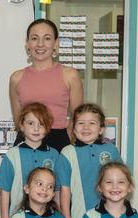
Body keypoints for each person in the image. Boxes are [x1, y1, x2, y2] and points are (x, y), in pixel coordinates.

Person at [9, 18, 83, 151]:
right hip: (26, 142)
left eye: (47, 38)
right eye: (34, 38)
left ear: (56, 43)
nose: (40, 44)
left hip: (59, 142)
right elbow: (18, 120)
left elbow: (77, 118)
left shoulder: (70, 75)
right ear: (27, 44)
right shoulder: (16, 78)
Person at [0, 102, 66, 218]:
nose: (36, 128)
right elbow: (5, 193)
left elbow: (57, 191)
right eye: (31, 123)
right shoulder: (12, 155)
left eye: (41, 124)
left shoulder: (54, 154)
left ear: (47, 128)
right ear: (21, 126)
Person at [60, 103, 121, 218]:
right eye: (81, 123)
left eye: (92, 123)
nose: (86, 127)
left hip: (110, 217)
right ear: (73, 128)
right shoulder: (67, 153)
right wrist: (66, 216)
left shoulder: (111, 150)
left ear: (101, 129)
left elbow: (121, 182)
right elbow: (64, 189)